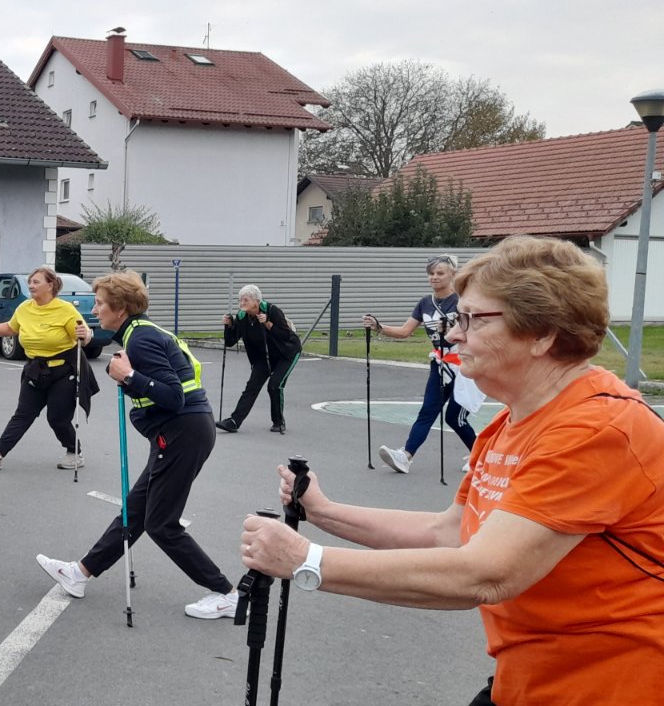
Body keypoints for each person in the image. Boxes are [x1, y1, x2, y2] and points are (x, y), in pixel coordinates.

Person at [240, 236, 664, 706]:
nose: (454, 334)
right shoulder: (511, 421)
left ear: (542, 332)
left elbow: (483, 574)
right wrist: (324, 512)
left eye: (472, 319)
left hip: (612, 685)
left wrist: (308, 560)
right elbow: (451, 532)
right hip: (531, 677)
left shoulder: (598, 428)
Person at [36, 271, 237, 620]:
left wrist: (129, 377)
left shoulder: (141, 340)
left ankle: (226, 592)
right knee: (135, 511)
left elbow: (173, 396)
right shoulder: (139, 334)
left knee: (161, 523)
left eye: (100, 304)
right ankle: (80, 573)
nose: (95, 311)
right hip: (182, 432)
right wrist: (130, 378)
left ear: (121, 308)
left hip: (182, 433)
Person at [0, 267, 95, 470]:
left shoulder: (64, 309)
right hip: (35, 369)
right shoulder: (24, 308)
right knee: (23, 414)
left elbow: (84, 335)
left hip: (64, 371)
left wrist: (86, 334)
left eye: (36, 282)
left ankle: (74, 451)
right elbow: (11, 328)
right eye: (30, 282)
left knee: (57, 418)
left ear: (51, 285)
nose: (31, 285)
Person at [363, 255, 478, 473]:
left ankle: (480, 454)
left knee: (455, 416)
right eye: (431, 273)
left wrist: (454, 329)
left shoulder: (464, 300)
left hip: (465, 366)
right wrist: (379, 326)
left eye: (440, 273)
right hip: (440, 364)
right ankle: (405, 456)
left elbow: (475, 328)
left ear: (453, 275)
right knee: (428, 411)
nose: (434, 277)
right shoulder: (425, 303)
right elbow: (406, 331)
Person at [217, 284, 300, 434]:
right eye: (240, 300)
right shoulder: (242, 317)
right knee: (251, 388)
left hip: (286, 353)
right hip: (263, 357)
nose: (241, 303)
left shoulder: (272, 310)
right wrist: (229, 325)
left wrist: (268, 324)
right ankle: (234, 421)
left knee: (274, 385)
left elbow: (285, 335)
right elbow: (230, 341)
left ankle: (278, 422)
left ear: (256, 301)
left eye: (245, 300)